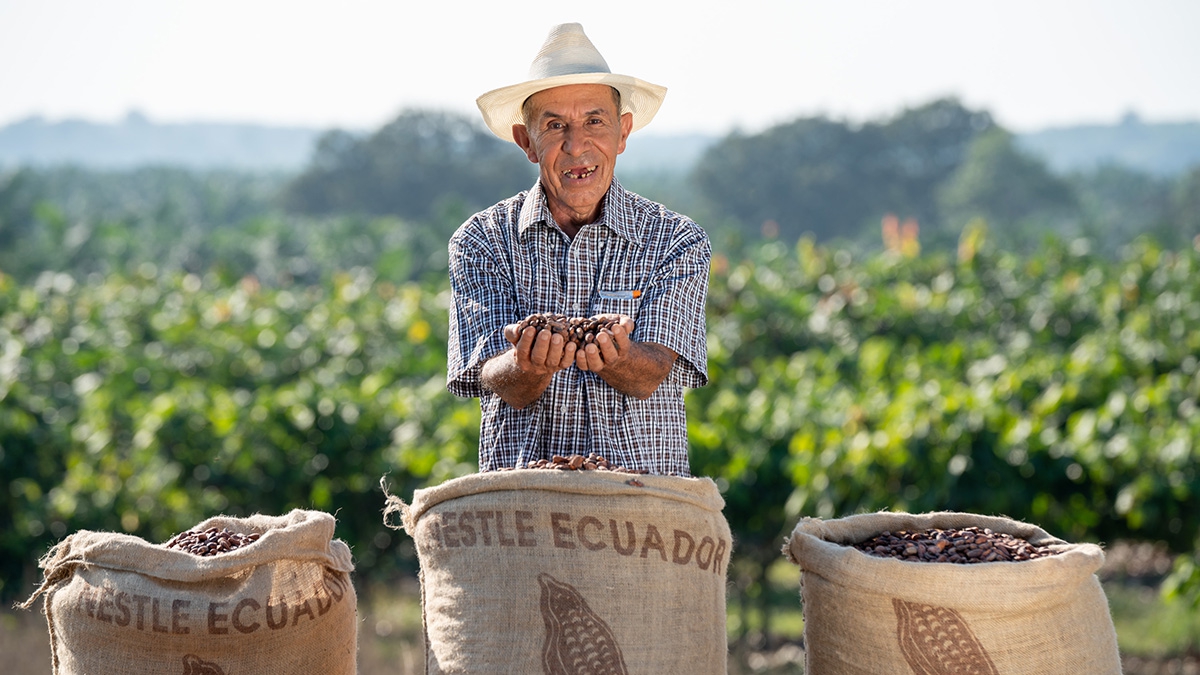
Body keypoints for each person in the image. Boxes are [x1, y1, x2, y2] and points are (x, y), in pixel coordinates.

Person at [447, 23, 710, 476]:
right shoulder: (481, 240)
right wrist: (527, 364)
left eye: (594, 121)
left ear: (622, 132)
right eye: (554, 126)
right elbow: (494, 377)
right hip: (523, 512)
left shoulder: (676, 240)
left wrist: (617, 354)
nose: (576, 145)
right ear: (526, 141)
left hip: (643, 508)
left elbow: (652, 373)